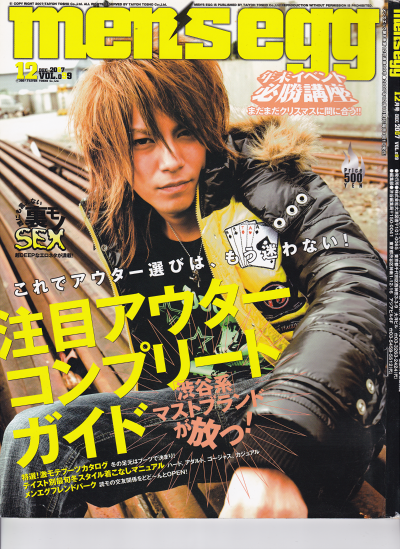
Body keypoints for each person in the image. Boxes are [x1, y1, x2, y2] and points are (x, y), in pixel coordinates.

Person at [0, 49, 386, 518]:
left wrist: (277, 440)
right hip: (211, 411)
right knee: (37, 440)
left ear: (209, 128)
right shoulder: (124, 221)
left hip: (312, 404)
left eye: (185, 132)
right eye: (142, 142)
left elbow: (356, 285)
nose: (170, 161)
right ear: (110, 151)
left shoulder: (275, 188)